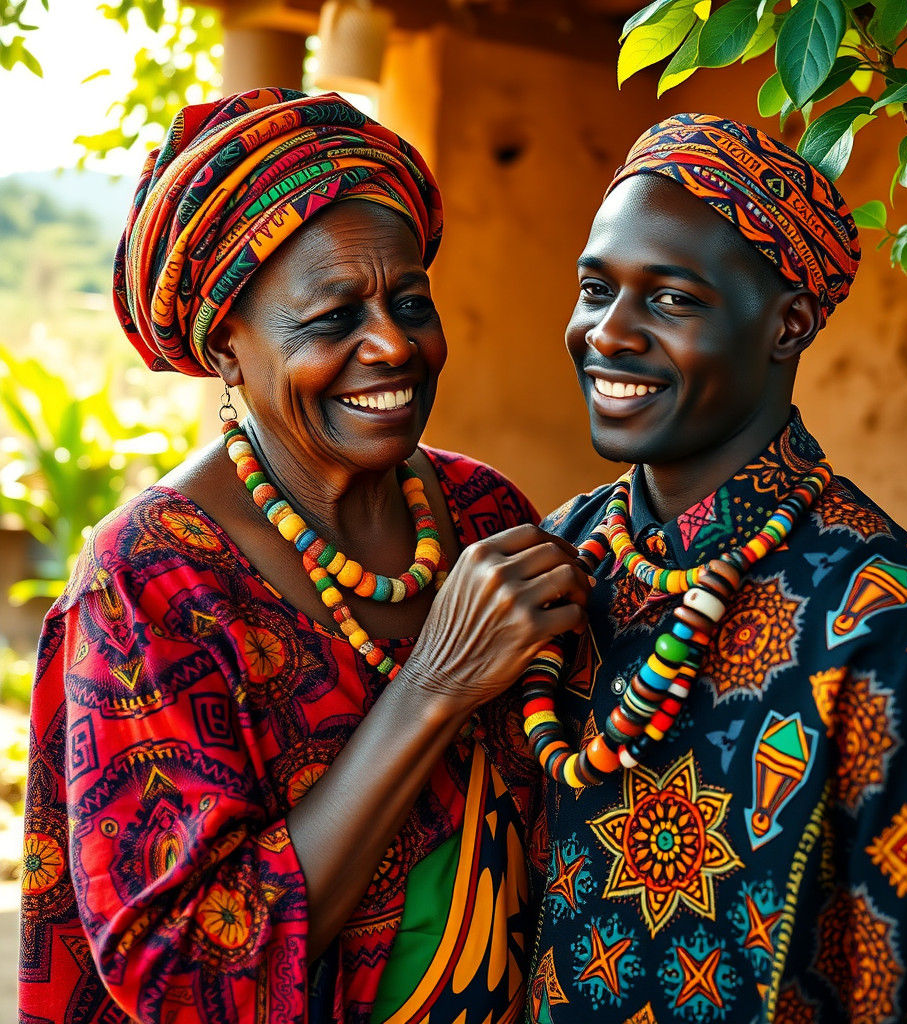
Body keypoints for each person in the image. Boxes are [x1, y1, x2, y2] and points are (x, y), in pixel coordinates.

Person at [19, 88, 590, 1024]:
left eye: (411, 301)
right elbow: (188, 975)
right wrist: (434, 686)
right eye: (332, 319)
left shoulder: (485, 511)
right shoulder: (148, 582)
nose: (395, 344)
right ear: (228, 348)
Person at [522, 114, 907, 1022]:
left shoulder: (904, 641)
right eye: (596, 288)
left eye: (671, 299)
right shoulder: (547, 571)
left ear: (788, 324)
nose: (610, 333)